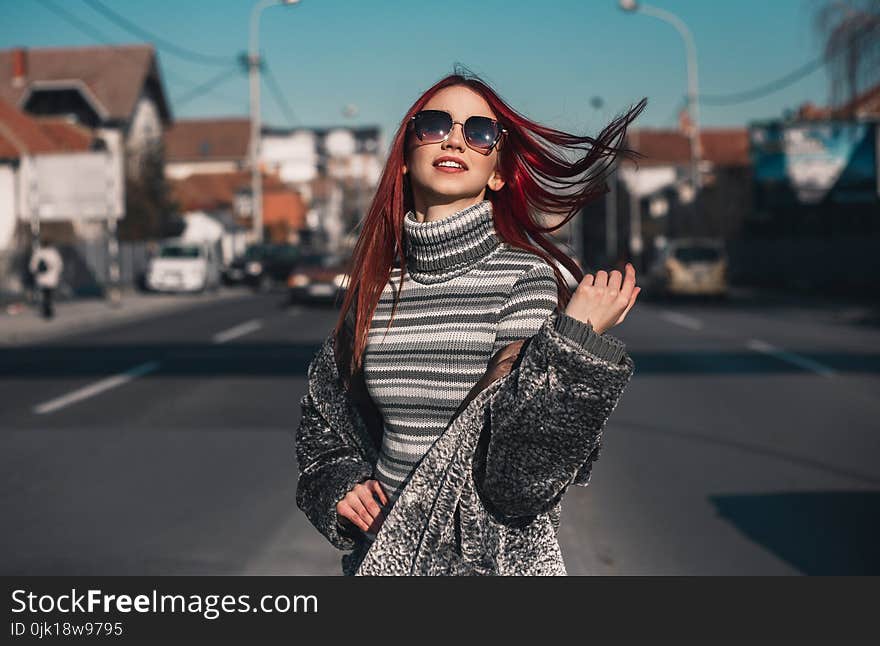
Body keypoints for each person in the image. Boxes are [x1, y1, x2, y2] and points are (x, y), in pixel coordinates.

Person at [295, 71, 646, 575]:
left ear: (498, 172)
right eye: (435, 125)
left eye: (480, 133)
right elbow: (325, 428)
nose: (455, 137)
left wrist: (572, 347)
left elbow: (520, 481)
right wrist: (339, 483)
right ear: (404, 158)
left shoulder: (523, 279)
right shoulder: (374, 287)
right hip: (386, 564)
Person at [28, 237, 64, 320]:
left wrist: (35, 272)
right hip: (52, 278)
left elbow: (32, 266)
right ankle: (48, 311)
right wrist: (57, 273)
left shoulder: (38, 253)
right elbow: (59, 265)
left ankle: (46, 310)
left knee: (44, 295)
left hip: (41, 278)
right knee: (49, 295)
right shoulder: (53, 253)